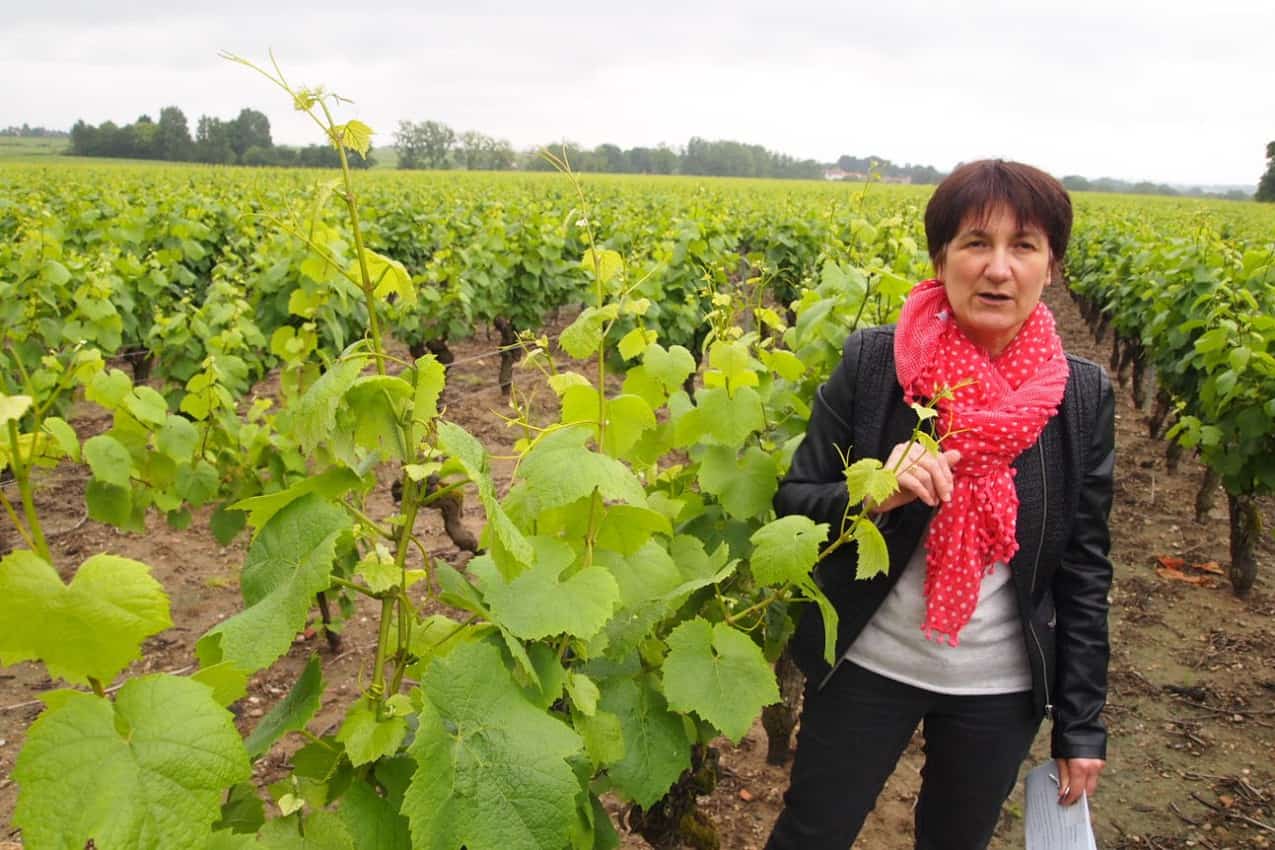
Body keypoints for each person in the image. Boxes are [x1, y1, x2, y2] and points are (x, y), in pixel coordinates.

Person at [766, 159, 1115, 850]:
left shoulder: (1079, 395)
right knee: (810, 834)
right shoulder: (874, 365)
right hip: (869, 663)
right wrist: (868, 494)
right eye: (975, 242)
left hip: (1001, 687)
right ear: (940, 257)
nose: (997, 268)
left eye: (1023, 246)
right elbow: (794, 504)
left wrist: (1079, 725)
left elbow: (1083, 567)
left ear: (1051, 267)